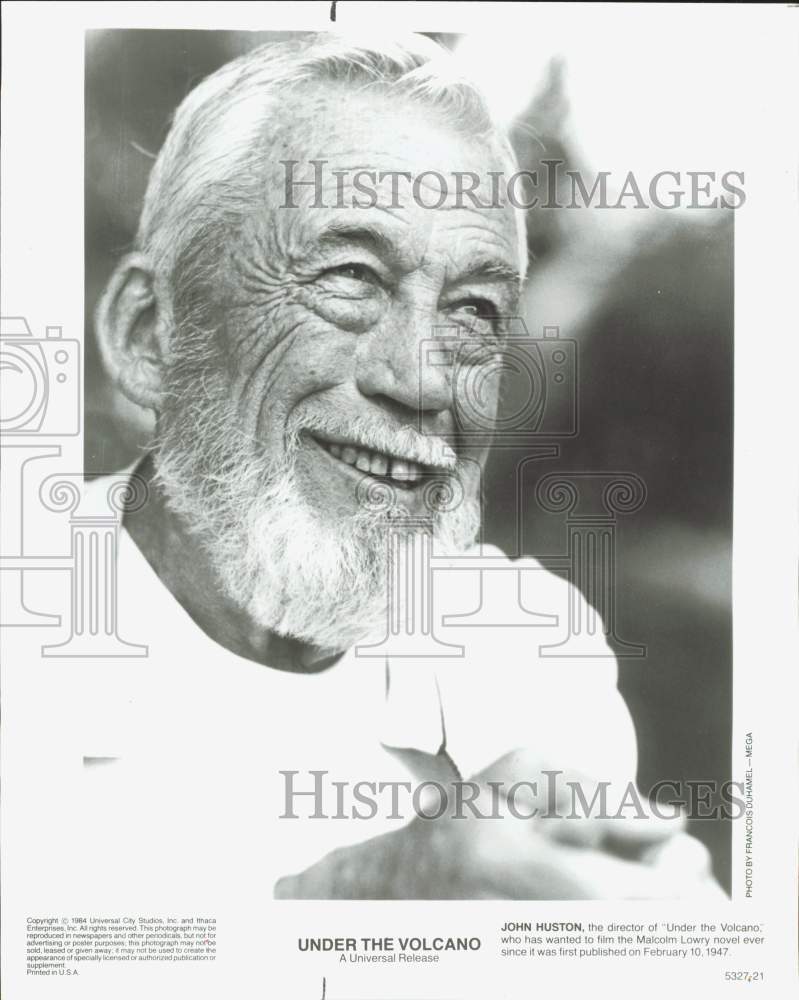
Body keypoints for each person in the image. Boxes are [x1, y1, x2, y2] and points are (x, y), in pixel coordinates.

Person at [90, 31, 721, 900]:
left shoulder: (520, 641)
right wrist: (360, 908)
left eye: (473, 311)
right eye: (349, 276)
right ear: (149, 336)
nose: (423, 378)